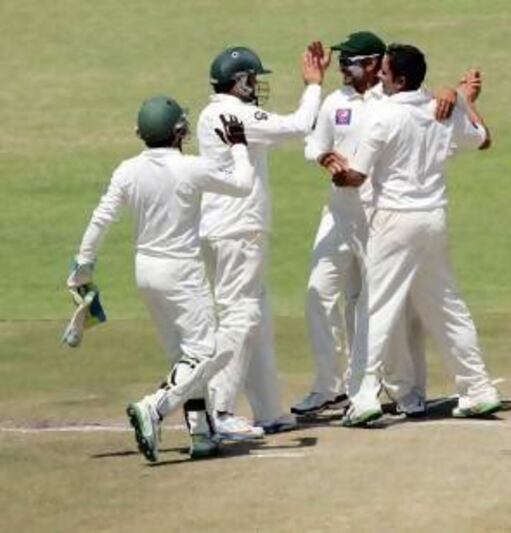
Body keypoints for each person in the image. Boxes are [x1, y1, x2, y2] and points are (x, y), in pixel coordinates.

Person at [68, 95, 256, 462]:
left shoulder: (127, 170)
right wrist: (239, 147)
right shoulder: (189, 168)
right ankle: (152, 408)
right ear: (180, 132)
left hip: (146, 272)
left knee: (184, 357)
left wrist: (83, 268)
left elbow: (101, 219)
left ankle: (201, 434)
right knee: (208, 352)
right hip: (182, 273)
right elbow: (243, 184)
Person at [328, 43, 501, 427]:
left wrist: (339, 175)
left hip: (394, 221)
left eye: (385, 72)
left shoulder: (383, 115)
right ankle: (479, 389)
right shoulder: (441, 108)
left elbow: (358, 175)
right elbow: (482, 137)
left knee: (376, 309)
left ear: (399, 79)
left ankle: (364, 398)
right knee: (448, 307)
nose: (380, 76)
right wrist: (461, 99)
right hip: (433, 220)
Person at [197, 44, 328, 439]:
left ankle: (269, 410)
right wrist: (314, 85)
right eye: (253, 79)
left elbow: (274, 134)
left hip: (226, 228)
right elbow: (299, 125)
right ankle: (218, 411)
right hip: (240, 230)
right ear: (238, 82)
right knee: (243, 316)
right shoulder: (233, 112)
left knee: (257, 315)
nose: (256, 85)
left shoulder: (215, 112)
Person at [295, 31, 428, 417]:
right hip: (338, 212)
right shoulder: (336, 101)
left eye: (351, 62)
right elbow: (312, 144)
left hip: (378, 214)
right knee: (318, 293)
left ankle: (403, 389)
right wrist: (324, 158)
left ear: (373, 64)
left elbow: (429, 105)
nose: (342, 69)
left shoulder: (394, 99)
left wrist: (454, 95)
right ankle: (328, 386)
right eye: (341, 62)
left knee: (380, 304)